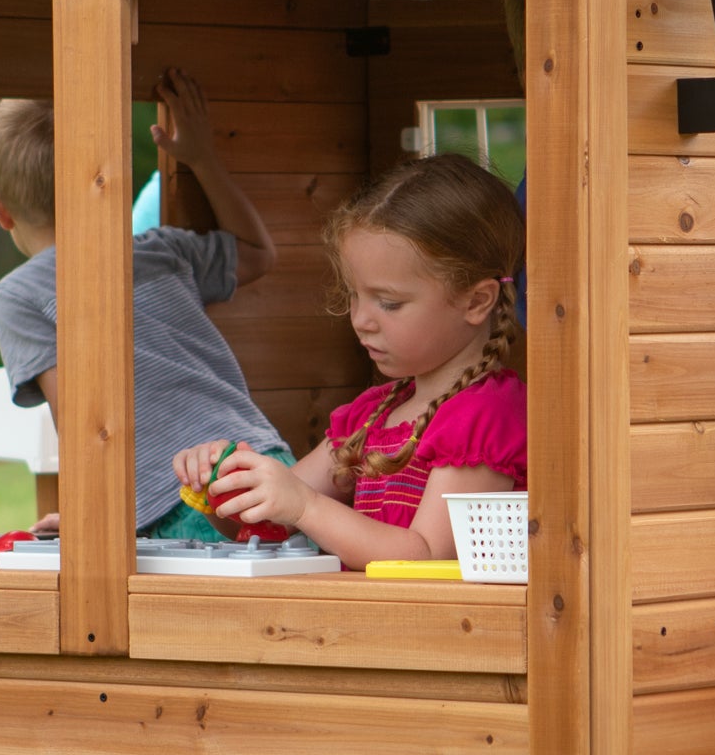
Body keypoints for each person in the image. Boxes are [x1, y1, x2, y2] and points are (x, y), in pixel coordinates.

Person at [0, 69, 293, 540]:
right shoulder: (160, 250)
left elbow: (83, 422)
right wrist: (202, 158)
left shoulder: (18, 296)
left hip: (175, 499)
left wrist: (92, 519)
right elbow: (257, 253)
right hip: (260, 463)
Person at [175, 152, 526, 569]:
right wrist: (227, 484)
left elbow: (428, 557)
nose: (361, 320)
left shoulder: (486, 416)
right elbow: (269, 523)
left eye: (390, 303)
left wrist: (306, 507)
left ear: (477, 300)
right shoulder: (370, 415)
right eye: (355, 295)